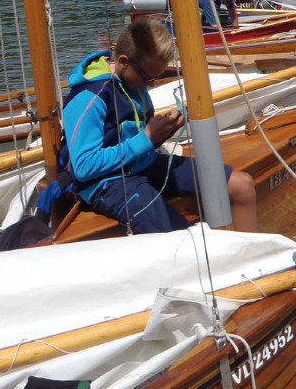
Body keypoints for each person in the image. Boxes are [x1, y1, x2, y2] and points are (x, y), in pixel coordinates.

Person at [62, 20, 259, 234]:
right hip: (106, 182)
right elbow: (83, 167)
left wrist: (167, 128)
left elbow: (138, 137)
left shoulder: (133, 80)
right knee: (182, 238)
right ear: (124, 61)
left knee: (242, 185)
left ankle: (248, 259)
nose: (151, 84)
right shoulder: (90, 96)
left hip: (143, 163)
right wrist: (146, 138)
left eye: (158, 77)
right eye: (148, 77)